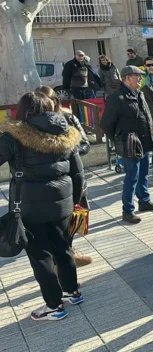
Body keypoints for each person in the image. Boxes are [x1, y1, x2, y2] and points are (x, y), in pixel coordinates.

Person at [0, 91, 85, 321]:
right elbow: (78, 173)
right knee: (62, 247)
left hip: (30, 207)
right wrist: (75, 202)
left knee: (40, 256)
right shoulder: (66, 131)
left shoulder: (14, 136)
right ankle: (72, 291)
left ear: (23, 110)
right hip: (63, 203)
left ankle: (54, 306)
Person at [36, 86, 92, 267]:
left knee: (76, 215)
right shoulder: (34, 122)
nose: (45, 105)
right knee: (56, 221)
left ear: (56, 101)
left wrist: (69, 151)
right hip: (50, 182)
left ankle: (69, 251)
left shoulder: (68, 117)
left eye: (49, 101)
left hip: (73, 175)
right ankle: (61, 258)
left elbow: (85, 143)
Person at [101, 65, 153, 224]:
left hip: (144, 141)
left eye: (141, 77)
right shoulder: (116, 97)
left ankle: (144, 201)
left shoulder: (139, 94)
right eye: (137, 76)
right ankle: (127, 211)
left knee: (143, 173)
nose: (140, 79)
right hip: (130, 143)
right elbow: (106, 123)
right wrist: (118, 139)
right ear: (127, 78)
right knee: (132, 177)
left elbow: (146, 116)